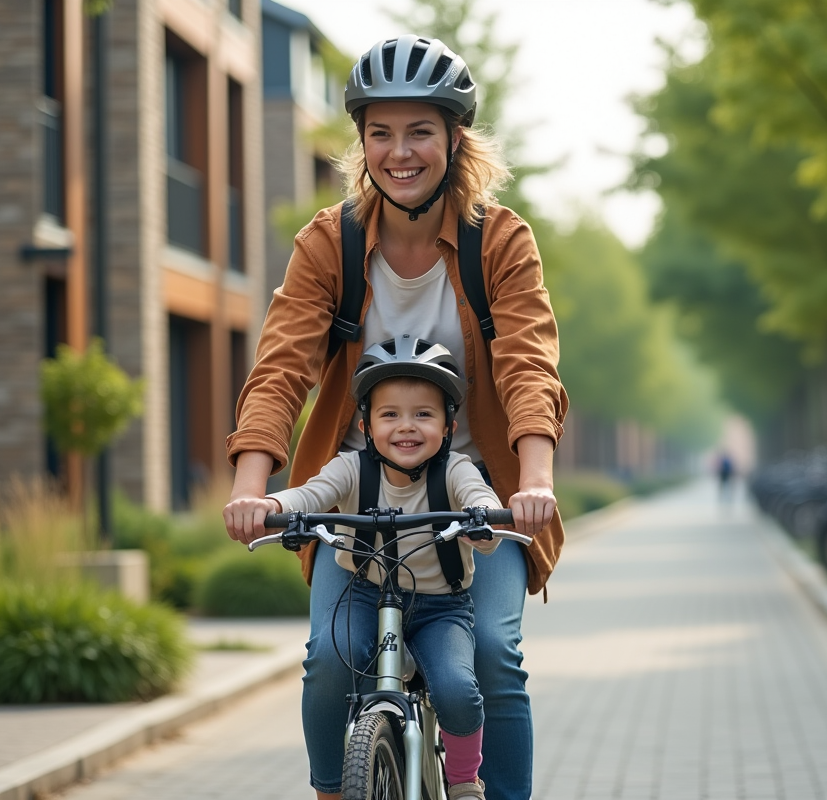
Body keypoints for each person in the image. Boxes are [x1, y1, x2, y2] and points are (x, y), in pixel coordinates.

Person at [222, 35, 568, 800]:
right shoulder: (332, 242)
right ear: (361, 141)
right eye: (380, 132)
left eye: (419, 131)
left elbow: (528, 363)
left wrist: (534, 482)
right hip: (358, 502)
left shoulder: (498, 241)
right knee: (326, 661)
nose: (398, 151)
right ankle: (337, 787)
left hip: (474, 501)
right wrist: (253, 490)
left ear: (454, 137)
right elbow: (281, 368)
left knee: (492, 658)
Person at [246, 336, 500, 800]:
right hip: (364, 594)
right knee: (326, 661)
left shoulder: (457, 470)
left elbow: (480, 497)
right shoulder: (350, 469)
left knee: (458, 688)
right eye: (390, 415)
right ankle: (332, 788)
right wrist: (272, 505)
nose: (407, 427)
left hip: (441, 607)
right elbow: (309, 494)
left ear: (448, 426)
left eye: (424, 414)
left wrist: (482, 519)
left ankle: (465, 781)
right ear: (365, 425)